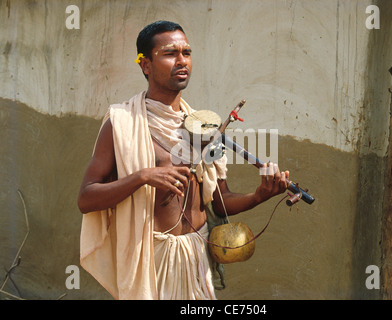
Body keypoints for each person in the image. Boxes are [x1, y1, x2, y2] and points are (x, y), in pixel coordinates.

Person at [78, 20, 289, 300]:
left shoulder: (204, 128)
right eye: (169, 53)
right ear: (145, 65)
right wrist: (142, 176)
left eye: (186, 53)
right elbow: (86, 199)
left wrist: (260, 195)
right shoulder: (121, 124)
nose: (181, 61)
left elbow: (219, 200)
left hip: (195, 256)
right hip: (150, 261)